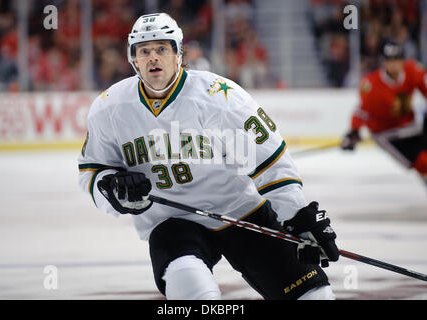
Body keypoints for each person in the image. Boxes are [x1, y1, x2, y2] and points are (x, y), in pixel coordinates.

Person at [78, 13, 339, 300]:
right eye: (145, 51)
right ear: (134, 59)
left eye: (162, 49)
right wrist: (114, 191)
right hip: (173, 222)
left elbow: (270, 162)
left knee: (316, 296)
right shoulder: (109, 108)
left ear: (178, 53)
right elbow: (93, 173)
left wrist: (298, 216)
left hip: (242, 213)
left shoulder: (219, 98)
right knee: (192, 291)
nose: (154, 58)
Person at [341, 40, 427, 185]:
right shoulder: (371, 85)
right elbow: (361, 111)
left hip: (411, 127)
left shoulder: (413, 70)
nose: (393, 64)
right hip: (387, 134)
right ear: (383, 63)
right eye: (389, 61)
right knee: (423, 162)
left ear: (402, 61)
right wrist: (354, 131)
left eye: (397, 60)